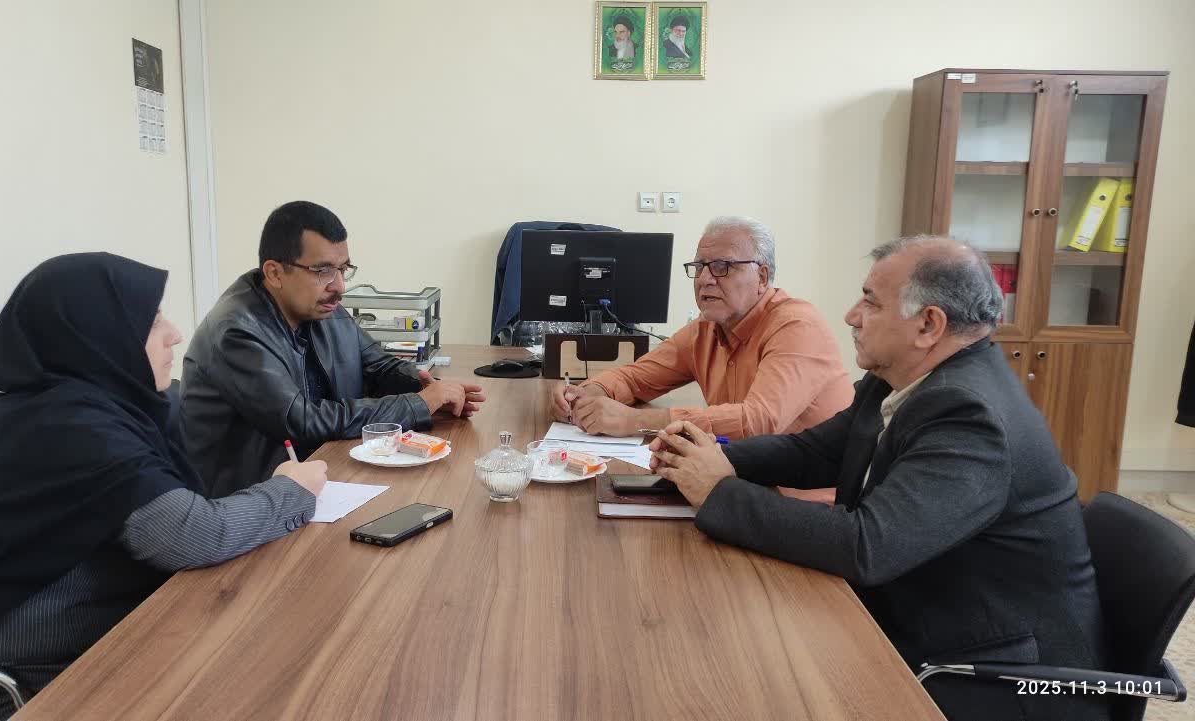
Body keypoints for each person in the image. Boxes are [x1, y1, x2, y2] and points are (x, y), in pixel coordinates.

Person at [649, 236, 1110, 721]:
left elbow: (868, 546)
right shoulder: (900, 379)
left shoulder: (971, 415)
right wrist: (711, 457)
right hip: (920, 617)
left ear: (928, 325)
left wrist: (718, 491)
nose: (851, 316)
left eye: (870, 302)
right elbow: (814, 452)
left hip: (998, 678)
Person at [0, 254, 326, 721]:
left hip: (93, 642)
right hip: (31, 683)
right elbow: (195, 534)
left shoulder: (90, 407)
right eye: (151, 322)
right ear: (98, 337)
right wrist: (290, 490)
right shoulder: (72, 428)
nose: (174, 333)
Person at [181, 201, 485, 498]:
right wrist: (418, 404)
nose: (339, 285)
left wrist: (427, 389)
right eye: (322, 271)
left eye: (343, 269)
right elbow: (302, 421)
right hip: (248, 503)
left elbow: (378, 366)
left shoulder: (320, 307)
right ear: (274, 273)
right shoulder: (237, 332)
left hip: (324, 476)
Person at [550, 216, 851, 502]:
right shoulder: (706, 328)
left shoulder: (797, 326)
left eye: (722, 267)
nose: (705, 279)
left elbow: (758, 421)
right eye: (699, 267)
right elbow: (637, 377)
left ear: (761, 276)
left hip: (801, 507)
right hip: (735, 487)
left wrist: (634, 421)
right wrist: (589, 393)